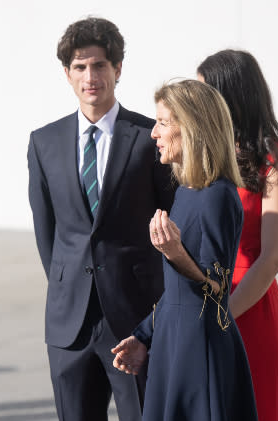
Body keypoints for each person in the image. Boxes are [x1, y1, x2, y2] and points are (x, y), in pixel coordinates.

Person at [27, 17, 176, 421]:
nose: (90, 76)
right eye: (79, 67)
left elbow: (172, 221)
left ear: (117, 69)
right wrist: (67, 283)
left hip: (134, 316)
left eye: (99, 65)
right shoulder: (44, 142)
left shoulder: (150, 137)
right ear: (67, 73)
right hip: (68, 322)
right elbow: (48, 232)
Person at [111, 79, 258, 421]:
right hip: (173, 342)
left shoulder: (217, 196)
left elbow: (216, 289)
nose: (153, 133)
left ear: (190, 128)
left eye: (163, 122)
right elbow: (177, 292)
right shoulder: (186, 192)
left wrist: (175, 253)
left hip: (199, 349)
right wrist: (144, 335)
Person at [197, 49, 278, 421]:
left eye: (206, 94)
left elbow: (272, 258)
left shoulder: (274, 163)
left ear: (232, 97)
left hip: (250, 309)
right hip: (206, 307)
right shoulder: (209, 155)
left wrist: (223, 314)